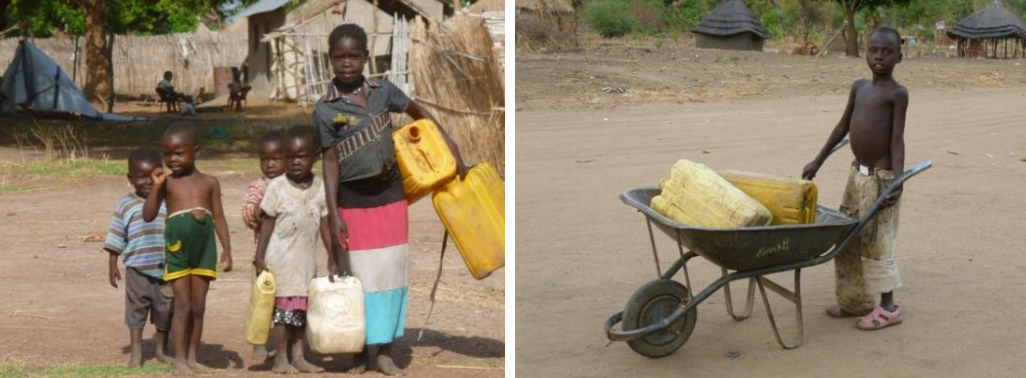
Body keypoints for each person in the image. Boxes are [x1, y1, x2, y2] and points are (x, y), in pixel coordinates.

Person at [314, 23, 467, 375]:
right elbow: (330, 161)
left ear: (366, 57)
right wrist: (334, 213)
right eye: (340, 57)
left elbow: (420, 114)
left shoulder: (384, 92)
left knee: (391, 274)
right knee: (358, 277)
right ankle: (358, 349)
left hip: (391, 196)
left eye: (354, 56)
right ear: (330, 60)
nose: (347, 63)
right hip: (353, 200)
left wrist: (450, 145)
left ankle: (384, 351)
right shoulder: (325, 109)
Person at [802, 26, 908, 331]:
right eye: (873, 50)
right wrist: (818, 160)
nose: (879, 57)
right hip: (856, 176)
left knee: (876, 241)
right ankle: (854, 300)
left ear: (899, 57)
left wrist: (898, 181)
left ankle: (888, 308)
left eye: (887, 52)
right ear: (865, 53)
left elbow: (897, 141)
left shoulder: (897, 94)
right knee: (847, 235)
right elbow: (841, 128)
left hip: (880, 180)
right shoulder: (859, 87)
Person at [142, 122, 233, 374]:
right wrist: (156, 187)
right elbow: (148, 215)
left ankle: (193, 358)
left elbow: (219, 217)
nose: (172, 159)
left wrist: (227, 249)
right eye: (167, 153)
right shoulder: (167, 183)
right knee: (182, 304)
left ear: (196, 151)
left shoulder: (210, 182)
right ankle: (180, 360)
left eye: (179, 153)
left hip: (204, 250)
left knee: (198, 306)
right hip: (177, 249)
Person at [253, 125, 334, 374]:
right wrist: (259, 256)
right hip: (280, 260)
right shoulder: (277, 187)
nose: (295, 162)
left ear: (315, 156)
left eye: (301, 156)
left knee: (300, 311)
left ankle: (299, 357)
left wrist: (333, 257)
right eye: (289, 157)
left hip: (305, 262)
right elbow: (267, 222)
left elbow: (325, 225)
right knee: (282, 312)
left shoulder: (320, 187)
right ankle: (280, 358)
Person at [103, 147, 173, 368]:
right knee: (136, 311)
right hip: (137, 269)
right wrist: (113, 264)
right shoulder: (126, 203)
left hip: (166, 269)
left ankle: (162, 351)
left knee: (166, 311)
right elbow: (116, 235)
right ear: (130, 178)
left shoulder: (169, 200)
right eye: (141, 177)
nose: (148, 181)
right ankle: (136, 353)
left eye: (153, 175)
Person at [241, 129, 286, 360]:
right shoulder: (259, 187)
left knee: (287, 302)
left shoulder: (293, 185)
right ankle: (259, 342)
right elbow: (247, 213)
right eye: (264, 159)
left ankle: (285, 344)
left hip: (290, 256)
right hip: (264, 258)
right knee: (261, 301)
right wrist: (259, 210)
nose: (269, 165)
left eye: (276, 159)